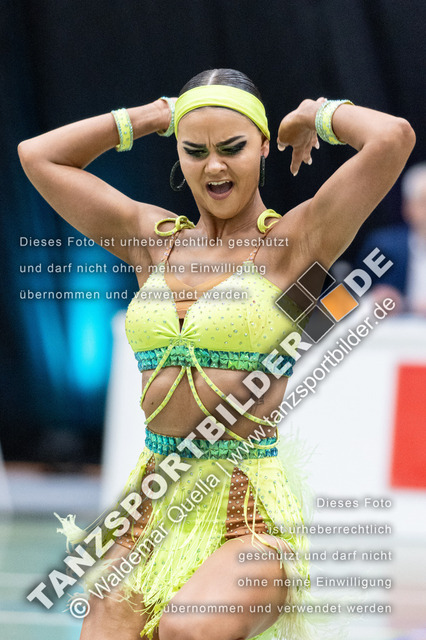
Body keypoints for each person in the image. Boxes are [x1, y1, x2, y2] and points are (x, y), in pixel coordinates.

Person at [18, 68, 415, 640]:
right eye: (195, 150)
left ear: (263, 146)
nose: (214, 168)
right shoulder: (151, 240)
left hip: (245, 509)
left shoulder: (293, 244)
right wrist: (153, 116)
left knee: (189, 627)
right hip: (154, 500)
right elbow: (39, 157)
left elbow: (393, 137)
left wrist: (315, 114)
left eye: (232, 148)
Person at [357, 161, 426, 314]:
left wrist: (407, 304)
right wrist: (372, 300)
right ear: (408, 207)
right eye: (424, 202)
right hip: (396, 328)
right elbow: (341, 299)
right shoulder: (386, 249)